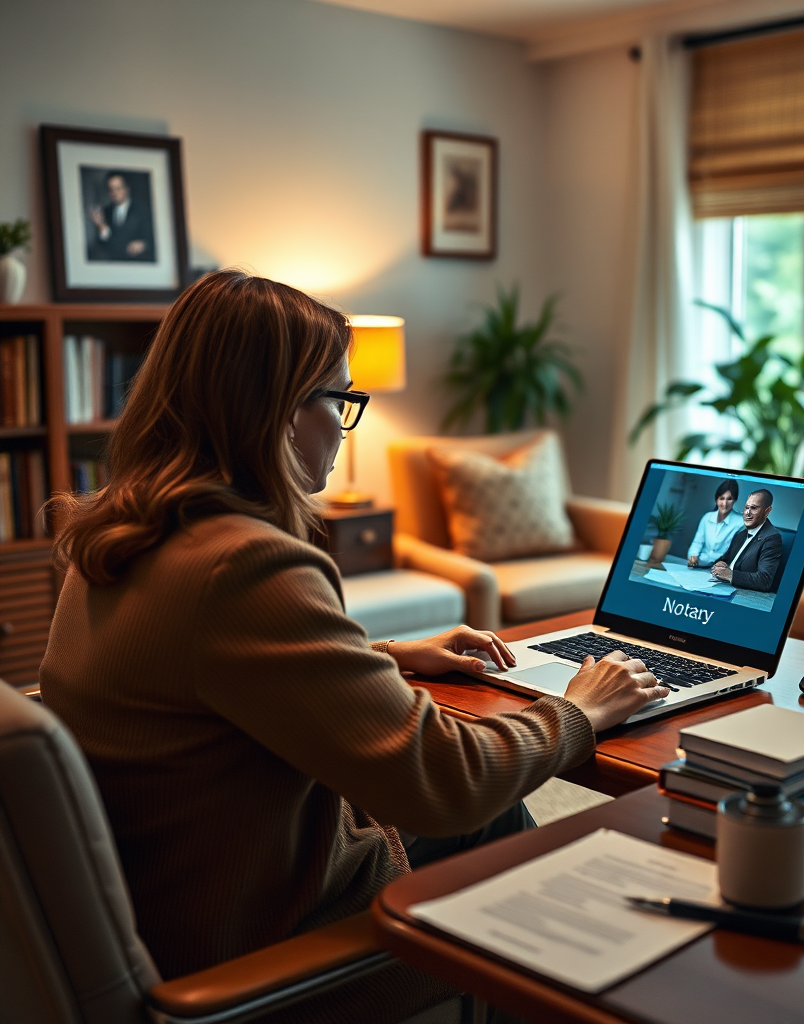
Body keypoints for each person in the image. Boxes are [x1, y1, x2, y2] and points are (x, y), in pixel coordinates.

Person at [39, 270, 667, 1022]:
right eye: (339, 400)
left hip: (184, 895)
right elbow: (444, 782)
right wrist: (580, 711)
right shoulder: (243, 565)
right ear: (280, 411)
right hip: (267, 946)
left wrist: (385, 655)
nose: (343, 425)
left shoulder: (118, 535)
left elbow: (206, 673)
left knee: (500, 831)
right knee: (528, 862)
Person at [710, 488, 782, 592]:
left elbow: (764, 580)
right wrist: (720, 564)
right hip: (723, 587)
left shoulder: (772, 538)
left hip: (744, 593)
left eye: (754, 508)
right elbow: (725, 558)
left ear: (767, 511)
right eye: (746, 507)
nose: (747, 513)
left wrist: (730, 575)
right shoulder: (740, 534)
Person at [87, 171, 154, 261]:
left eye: (118, 188)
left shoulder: (142, 211)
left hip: (137, 261)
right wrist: (101, 226)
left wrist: (144, 244)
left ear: (127, 188)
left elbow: (153, 239)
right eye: (111, 189)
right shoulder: (105, 212)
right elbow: (104, 245)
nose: (114, 193)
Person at [686, 479, 744, 567]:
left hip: (722, 568)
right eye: (722, 498)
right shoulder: (707, 517)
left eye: (729, 499)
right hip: (700, 564)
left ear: (735, 500)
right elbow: (697, 542)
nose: (724, 503)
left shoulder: (741, 522)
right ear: (717, 499)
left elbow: (736, 552)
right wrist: (693, 556)